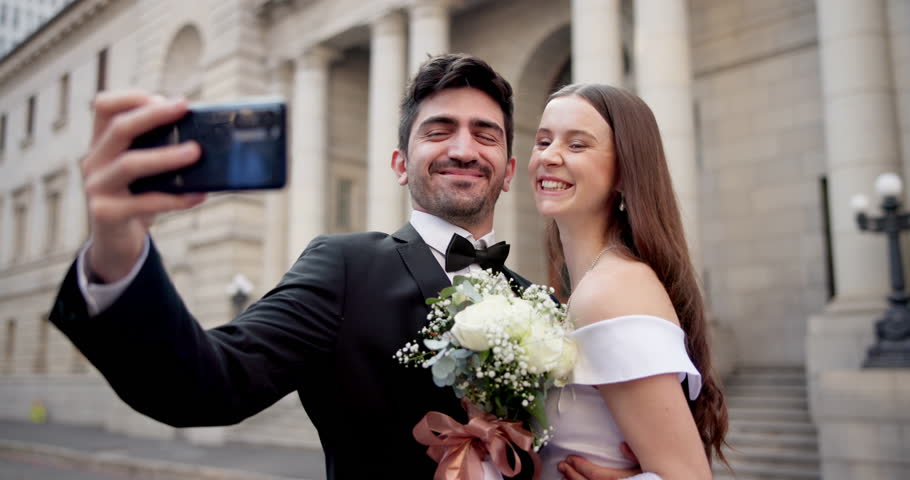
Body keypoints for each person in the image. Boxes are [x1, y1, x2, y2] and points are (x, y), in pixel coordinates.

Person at [48, 54, 627, 480]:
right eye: (438, 130)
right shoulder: (344, 267)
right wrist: (118, 250)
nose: (462, 148)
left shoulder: (545, 305)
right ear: (401, 163)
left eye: (485, 134)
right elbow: (206, 385)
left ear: (507, 167)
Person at [528, 83, 729, 480]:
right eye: (543, 140)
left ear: (624, 172)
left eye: (577, 145)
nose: (549, 156)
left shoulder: (612, 289)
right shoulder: (591, 286)